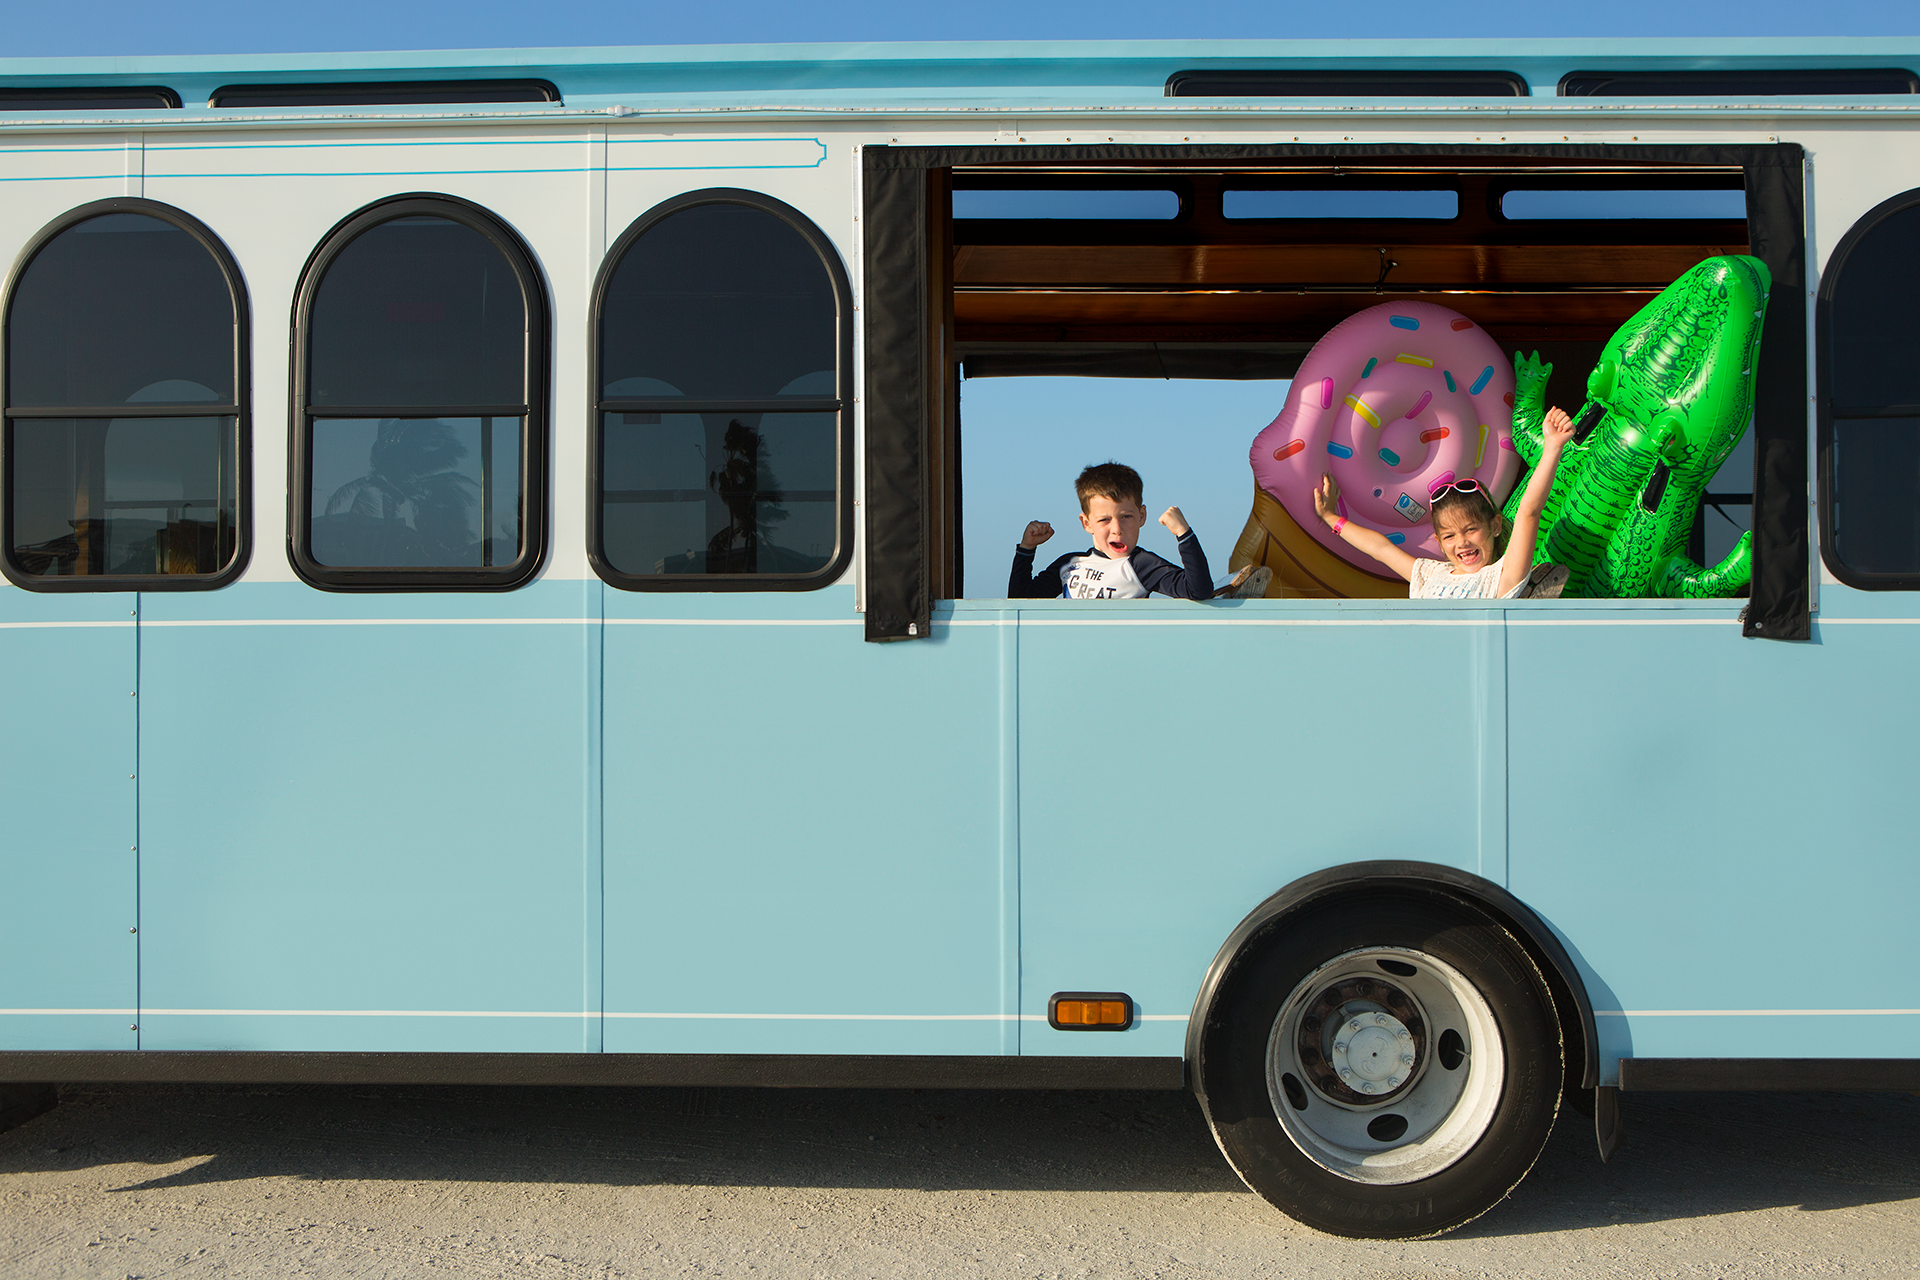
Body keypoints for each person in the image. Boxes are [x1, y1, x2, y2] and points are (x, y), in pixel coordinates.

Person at [1311, 407, 1576, 599]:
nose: (1461, 542)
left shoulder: (1501, 577)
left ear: (1495, 526)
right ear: (1438, 542)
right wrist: (1330, 518)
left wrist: (1552, 448)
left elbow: (1528, 512)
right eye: (1449, 535)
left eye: (1471, 529)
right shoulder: (1430, 574)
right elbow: (1380, 549)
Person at [1010, 462, 1213, 601]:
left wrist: (1184, 534)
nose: (1117, 529)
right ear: (1086, 523)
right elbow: (1018, 602)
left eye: (1126, 517)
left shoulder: (1142, 565)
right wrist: (1026, 550)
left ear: (1142, 516)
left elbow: (1199, 591)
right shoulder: (1069, 564)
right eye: (1104, 520)